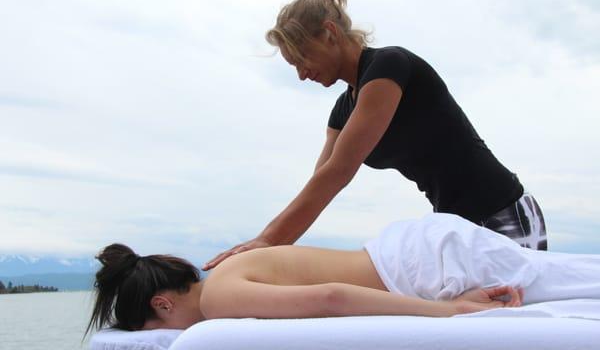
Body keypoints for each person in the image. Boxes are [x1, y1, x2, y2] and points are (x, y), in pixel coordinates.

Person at [204, 0, 546, 271]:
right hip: (454, 227)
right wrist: (270, 248)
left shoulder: (389, 66)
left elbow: (339, 171)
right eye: (293, 66)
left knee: (506, 327)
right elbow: (320, 181)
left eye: (303, 58)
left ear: (330, 34)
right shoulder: (342, 109)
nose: (301, 74)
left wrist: (268, 240)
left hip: (502, 213)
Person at [87, 213, 600, 333]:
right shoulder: (225, 272)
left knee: (575, 282)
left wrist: (450, 311)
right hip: (412, 252)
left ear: (162, 304)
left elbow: (333, 297)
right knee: (566, 274)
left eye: (157, 332)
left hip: (420, 264)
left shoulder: (220, 300)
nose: (169, 337)